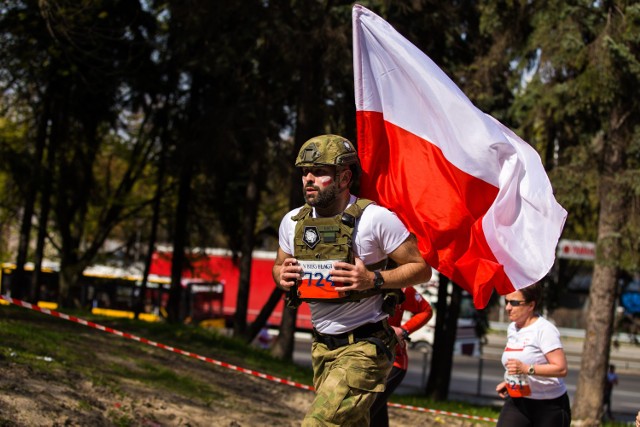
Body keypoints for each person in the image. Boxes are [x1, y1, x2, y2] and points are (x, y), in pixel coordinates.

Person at [273, 134, 431, 426]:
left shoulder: (375, 219)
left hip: (365, 347)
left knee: (318, 424)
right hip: (322, 347)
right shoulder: (293, 221)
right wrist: (281, 276)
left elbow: (421, 268)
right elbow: (279, 265)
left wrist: (373, 278)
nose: (308, 178)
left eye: (319, 171)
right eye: (305, 172)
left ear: (344, 178)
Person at [495, 283, 571, 426]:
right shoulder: (512, 328)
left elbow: (561, 369)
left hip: (549, 405)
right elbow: (519, 363)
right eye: (506, 302)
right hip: (519, 400)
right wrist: (510, 381)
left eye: (514, 303)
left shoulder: (544, 330)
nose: (508, 308)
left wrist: (527, 369)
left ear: (531, 305)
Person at [369, 285, 433, 427]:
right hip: (364, 358)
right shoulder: (359, 279)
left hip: (393, 361)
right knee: (374, 416)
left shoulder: (403, 287)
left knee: (364, 410)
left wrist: (403, 331)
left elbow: (426, 310)